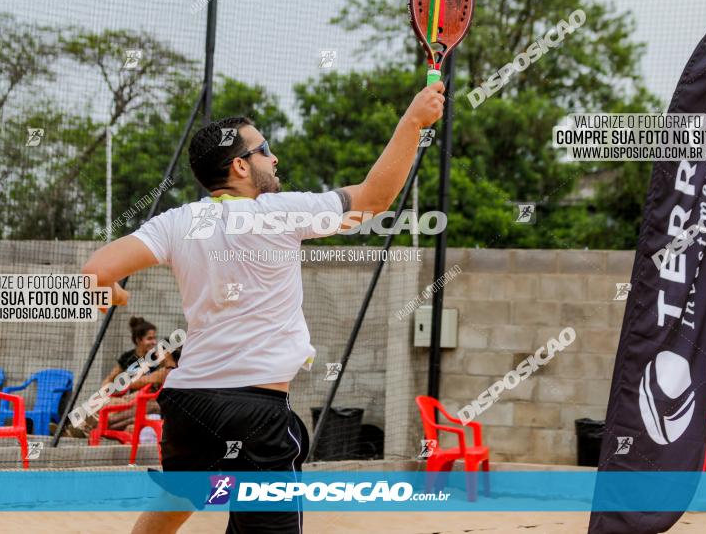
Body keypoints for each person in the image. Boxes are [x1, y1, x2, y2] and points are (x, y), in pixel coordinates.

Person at [80, 80, 445, 533]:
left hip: (187, 405)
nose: (274, 158)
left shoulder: (177, 221)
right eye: (264, 149)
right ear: (239, 166)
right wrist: (413, 121)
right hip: (253, 411)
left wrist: (111, 292)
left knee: (178, 500)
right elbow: (375, 197)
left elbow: (94, 272)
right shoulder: (280, 212)